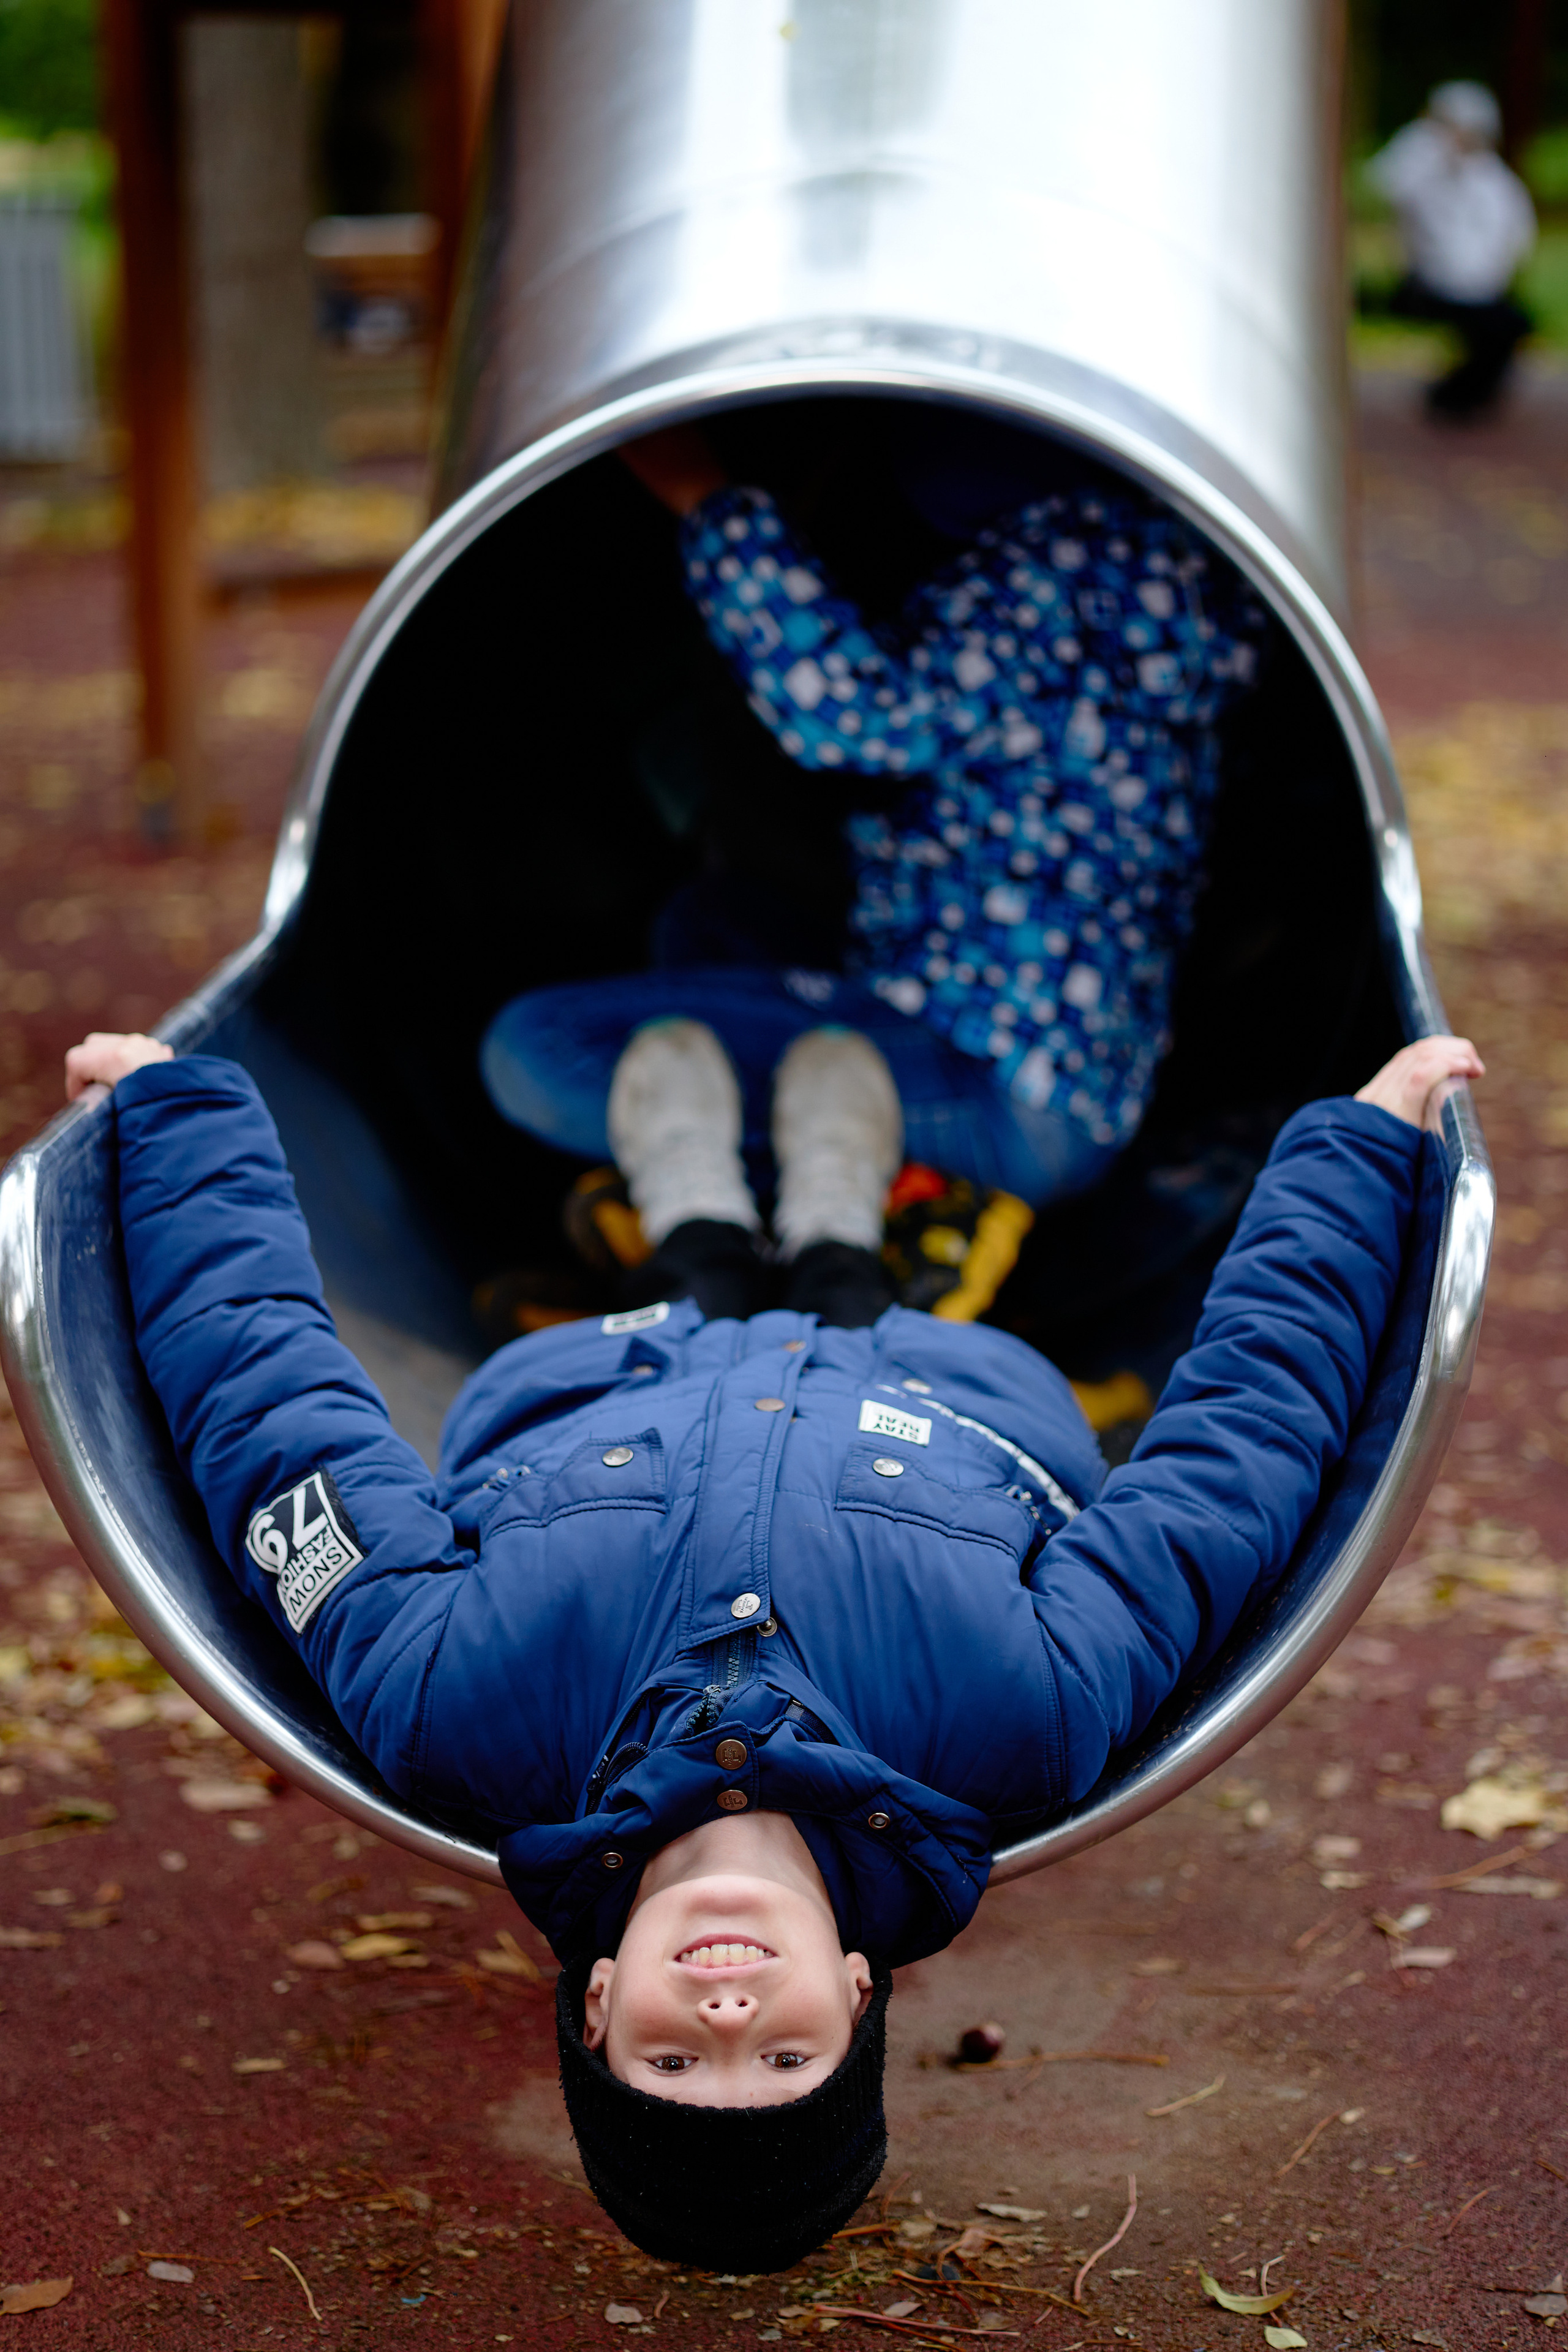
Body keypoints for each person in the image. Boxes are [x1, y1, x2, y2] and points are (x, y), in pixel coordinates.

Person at [64, 1019, 1481, 2273]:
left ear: (599, 2000)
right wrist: (1360, 1150)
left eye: (675, 2056)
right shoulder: (1023, 1714)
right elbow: (1232, 1458)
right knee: (861, 1292)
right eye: (783, 2053)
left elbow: (271, 1415)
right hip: (932, 1385)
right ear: (858, 1992)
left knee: (683, 1274)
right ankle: (836, 1223)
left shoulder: (452, 1706)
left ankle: (689, 1217)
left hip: (610, 1371)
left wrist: (175, 1117)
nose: (728, 2007)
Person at [480, 419, 1270, 1287]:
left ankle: (730, 1238)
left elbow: (858, 716)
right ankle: (863, 1201)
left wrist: (701, 495)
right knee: (716, 919)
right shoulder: (1176, 585)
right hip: (1077, 1085)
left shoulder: (1056, 571)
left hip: (980, 1068)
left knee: (539, 1049)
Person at [1370, 81, 1536, 420]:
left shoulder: (1493, 180)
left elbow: (1515, 237)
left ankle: (1462, 394)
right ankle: (1455, 395)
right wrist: (1428, 142)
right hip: (1430, 283)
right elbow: (1388, 183)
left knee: (1506, 326)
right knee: (1498, 326)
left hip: (1481, 289)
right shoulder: (1422, 166)